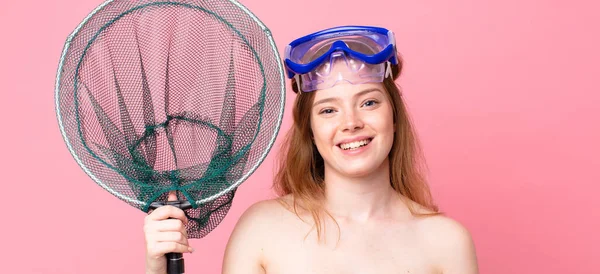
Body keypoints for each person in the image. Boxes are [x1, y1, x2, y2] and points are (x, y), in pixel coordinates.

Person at [144, 25, 479, 274]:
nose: (351, 123)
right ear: (311, 131)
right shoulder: (263, 228)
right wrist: (158, 270)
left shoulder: (446, 242)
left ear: (394, 118)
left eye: (369, 102)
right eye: (328, 110)